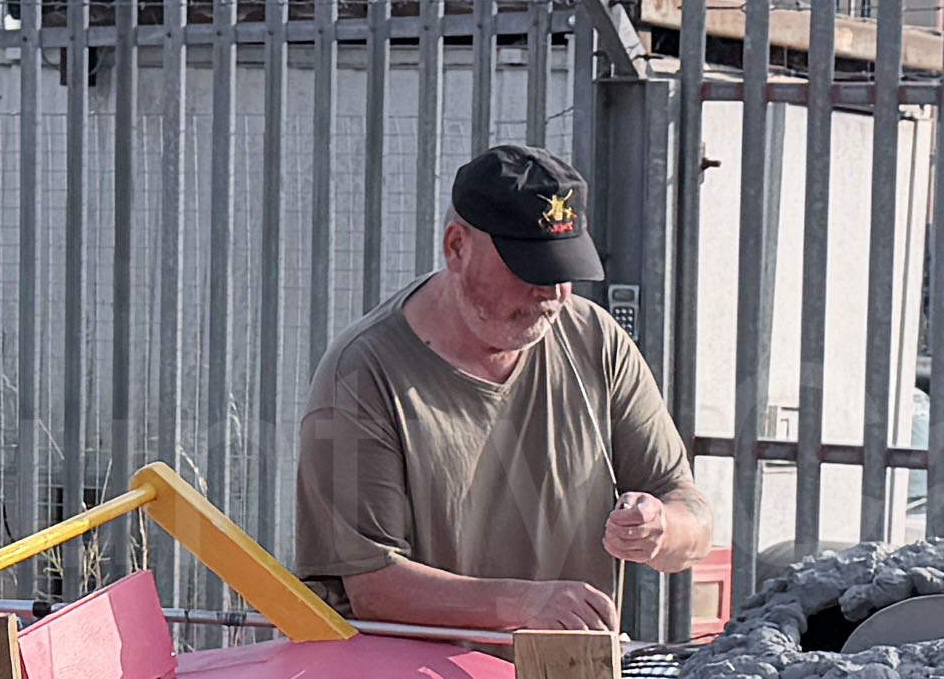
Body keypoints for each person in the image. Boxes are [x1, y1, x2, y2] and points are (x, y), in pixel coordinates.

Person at [293, 144, 715, 632]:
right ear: (457, 247)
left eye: (564, 270)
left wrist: (661, 527)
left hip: (569, 676)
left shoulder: (595, 341)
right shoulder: (364, 372)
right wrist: (522, 605)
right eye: (530, 268)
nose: (552, 293)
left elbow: (691, 513)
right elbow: (371, 585)